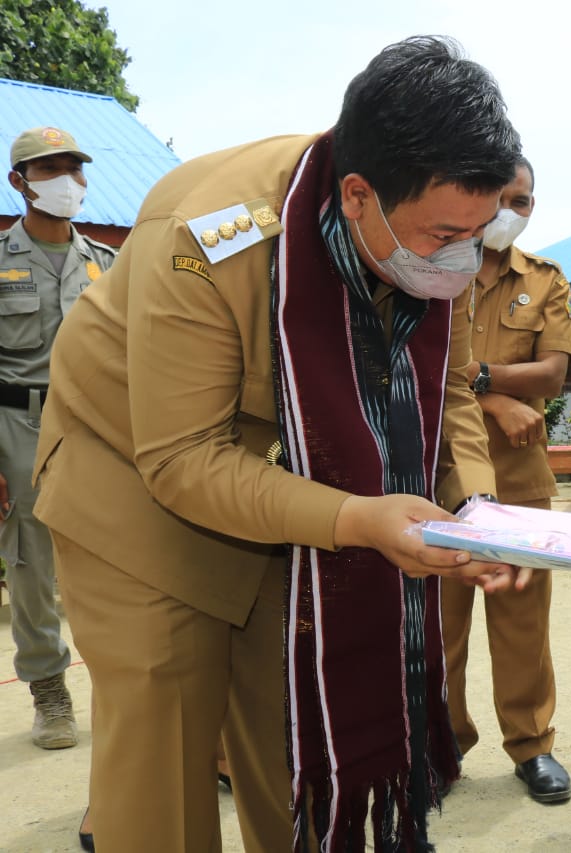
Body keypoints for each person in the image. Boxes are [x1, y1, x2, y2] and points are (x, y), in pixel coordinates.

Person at [33, 36, 527, 853]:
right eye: (443, 235)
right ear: (360, 195)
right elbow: (182, 459)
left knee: (296, 733)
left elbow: (453, 393)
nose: (462, 259)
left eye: (478, 232)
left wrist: (473, 507)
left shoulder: (435, 234)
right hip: (134, 485)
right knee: (168, 750)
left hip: (304, 481)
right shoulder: (209, 238)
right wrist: (360, 520)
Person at [442, 155, 571, 803]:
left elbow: (553, 374)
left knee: (522, 620)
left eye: (524, 201)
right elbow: (425, 368)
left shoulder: (546, 279)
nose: (511, 212)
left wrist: (482, 380)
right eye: (502, 197)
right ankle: (440, 745)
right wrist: (496, 397)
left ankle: (532, 745)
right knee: (439, 624)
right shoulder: (436, 266)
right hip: (440, 474)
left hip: (520, 479)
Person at [1, 126, 115, 752]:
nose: (67, 181)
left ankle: (124, 682)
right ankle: (49, 688)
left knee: (113, 555)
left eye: (74, 168)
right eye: (50, 170)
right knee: (30, 559)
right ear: (20, 182)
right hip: (18, 423)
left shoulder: (105, 261)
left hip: (94, 426)